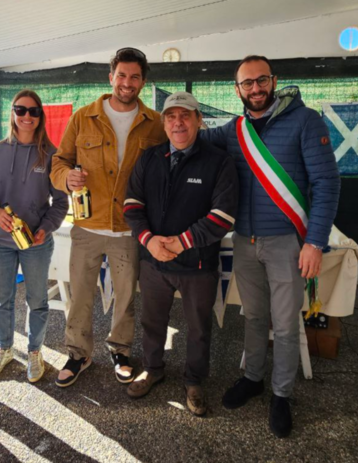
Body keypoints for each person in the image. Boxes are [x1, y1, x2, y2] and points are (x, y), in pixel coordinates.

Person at [202, 55, 340, 436]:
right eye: (247, 83)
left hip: (287, 243)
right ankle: (253, 378)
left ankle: (281, 394)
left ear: (274, 80)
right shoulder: (234, 130)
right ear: (238, 90)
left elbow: (328, 183)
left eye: (261, 80)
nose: (256, 89)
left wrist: (314, 241)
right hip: (245, 241)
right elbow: (188, 134)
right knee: (254, 316)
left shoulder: (306, 121)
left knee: (284, 323)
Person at [50, 47, 166, 387]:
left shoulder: (155, 124)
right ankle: (77, 353)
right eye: (121, 75)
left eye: (134, 77)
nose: (126, 82)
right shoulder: (82, 117)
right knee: (81, 294)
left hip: (130, 228)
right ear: (110, 77)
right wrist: (65, 179)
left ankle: (120, 350)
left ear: (143, 81)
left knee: (126, 296)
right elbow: (59, 160)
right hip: (87, 225)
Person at [124, 92, 237, 416]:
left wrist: (181, 242)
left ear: (199, 120)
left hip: (197, 264)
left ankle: (194, 380)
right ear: (164, 123)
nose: (178, 122)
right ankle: (152, 369)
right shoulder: (149, 158)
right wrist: (149, 240)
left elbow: (223, 216)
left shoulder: (218, 162)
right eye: (171, 116)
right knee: (152, 321)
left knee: (199, 327)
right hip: (154, 262)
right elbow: (132, 205)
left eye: (185, 115)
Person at [0, 90, 67, 383]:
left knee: (37, 301)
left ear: (41, 116)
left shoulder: (52, 155)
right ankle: (4, 349)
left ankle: (35, 352)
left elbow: (61, 203)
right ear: (12, 114)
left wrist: (45, 228)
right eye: (20, 110)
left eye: (33, 111)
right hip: (0, 243)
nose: (27, 116)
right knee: (2, 301)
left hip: (35, 244)